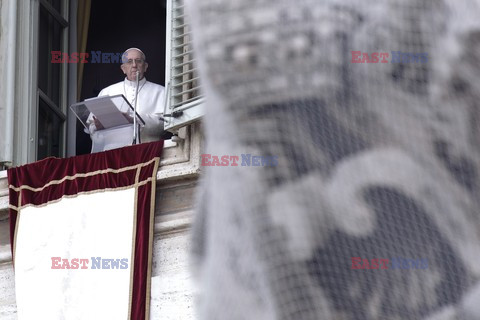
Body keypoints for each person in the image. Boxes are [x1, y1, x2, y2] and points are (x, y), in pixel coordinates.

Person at [86, 48, 166, 152]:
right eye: (129, 61)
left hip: (147, 151)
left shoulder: (160, 91)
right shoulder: (107, 92)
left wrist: (134, 120)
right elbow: (91, 129)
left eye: (138, 61)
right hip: (112, 153)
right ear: (123, 68)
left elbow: (165, 123)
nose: (134, 65)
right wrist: (98, 128)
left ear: (145, 67)